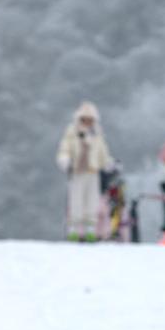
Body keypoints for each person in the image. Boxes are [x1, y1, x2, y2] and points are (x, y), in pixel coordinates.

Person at [56, 101, 113, 241]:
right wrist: (65, 159)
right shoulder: (72, 132)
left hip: (93, 172)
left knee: (92, 202)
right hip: (77, 172)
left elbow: (102, 152)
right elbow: (65, 148)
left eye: (90, 119)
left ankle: (91, 231)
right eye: (85, 118)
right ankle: (74, 231)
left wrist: (107, 164)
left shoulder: (97, 134)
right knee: (76, 202)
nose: (87, 121)